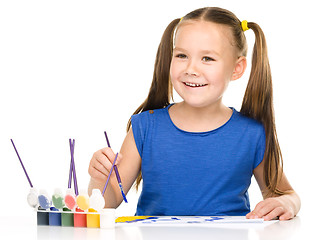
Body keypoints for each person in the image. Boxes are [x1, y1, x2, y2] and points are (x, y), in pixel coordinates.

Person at [88, 7, 300, 220]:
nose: (191, 68)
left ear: (237, 68)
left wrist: (286, 202)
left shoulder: (251, 134)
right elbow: (110, 199)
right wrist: (99, 179)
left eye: (207, 58)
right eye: (181, 55)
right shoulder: (145, 127)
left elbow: (285, 194)